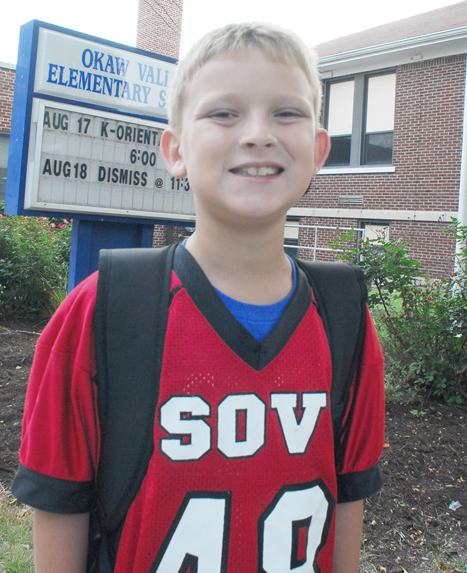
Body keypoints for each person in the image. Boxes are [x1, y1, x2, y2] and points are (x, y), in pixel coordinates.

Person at [12, 22, 385, 573]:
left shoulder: (344, 317)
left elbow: (346, 506)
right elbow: (60, 510)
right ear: (175, 150)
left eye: (287, 113)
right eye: (224, 113)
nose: (258, 133)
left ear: (318, 150)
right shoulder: (101, 314)